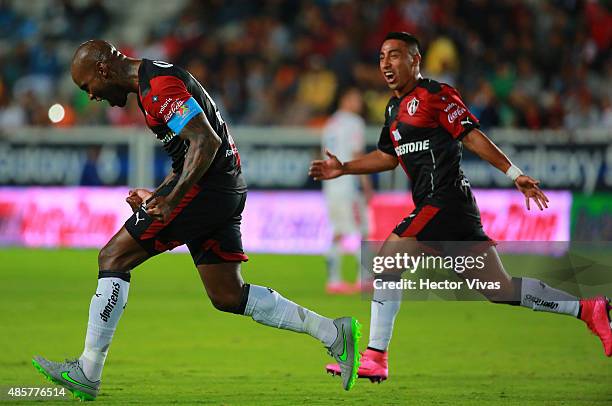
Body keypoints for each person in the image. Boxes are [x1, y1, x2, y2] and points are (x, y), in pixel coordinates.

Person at [31, 40, 361, 400]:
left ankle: (87, 371)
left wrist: (172, 200)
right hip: (224, 188)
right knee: (227, 294)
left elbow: (207, 141)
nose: (90, 96)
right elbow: (189, 154)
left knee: (113, 258)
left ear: (103, 70)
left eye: (86, 87)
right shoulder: (152, 84)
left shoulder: (157, 87)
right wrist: (159, 195)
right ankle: (333, 333)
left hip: (208, 189)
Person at [311, 32, 611, 383]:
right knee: (500, 290)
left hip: (445, 201)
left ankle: (376, 355)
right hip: (451, 211)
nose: (386, 64)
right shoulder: (392, 110)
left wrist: (514, 174)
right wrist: (344, 168)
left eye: (395, 55)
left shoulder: (436, 96)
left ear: (415, 60)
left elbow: (470, 134)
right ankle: (589, 309)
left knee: (386, 262)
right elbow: (387, 157)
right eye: (381, 57)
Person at [321, 87, 372, 294]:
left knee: (339, 231)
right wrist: (366, 184)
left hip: (331, 186)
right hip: (347, 186)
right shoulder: (354, 122)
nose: (359, 104)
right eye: (355, 99)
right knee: (363, 229)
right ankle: (364, 279)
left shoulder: (330, 124)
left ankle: (334, 280)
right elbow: (357, 154)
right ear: (345, 99)